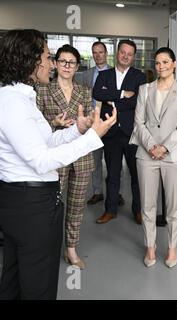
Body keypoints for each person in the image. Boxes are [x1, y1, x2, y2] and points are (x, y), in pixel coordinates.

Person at [0, 29, 116, 299]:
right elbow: (41, 160)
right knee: (38, 284)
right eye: (48, 56)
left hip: (31, 203)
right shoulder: (13, 102)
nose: (52, 63)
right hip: (29, 206)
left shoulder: (20, 97)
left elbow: (47, 140)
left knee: (16, 278)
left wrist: (79, 129)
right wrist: (93, 137)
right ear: (30, 60)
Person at [130, 47, 177, 268]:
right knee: (148, 205)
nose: (161, 66)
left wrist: (164, 147)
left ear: (174, 64)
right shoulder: (145, 89)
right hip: (146, 155)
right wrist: (150, 146)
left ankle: (172, 247)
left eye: (165, 62)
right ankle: (150, 247)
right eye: (157, 63)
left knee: (174, 207)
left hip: (172, 156)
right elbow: (139, 123)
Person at [36, 44, 93, 270]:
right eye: (62, 61)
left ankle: (71, 249)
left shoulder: (84, 92)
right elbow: (35, 127)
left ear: (77, 66)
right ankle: (47, 248)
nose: (67, 66)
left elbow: (88, 123)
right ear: (55, 63)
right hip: (55, 157)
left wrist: (86, 124)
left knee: (76, 206)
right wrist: (55, 124)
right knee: (53, 205)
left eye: (71, 62)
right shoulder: (42, 90)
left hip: (80, 157)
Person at [93, 39, 146, 225]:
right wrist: (122, 94)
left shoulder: (139, 77)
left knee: (136, 175)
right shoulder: (104, 75)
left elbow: (138, 101)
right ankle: (110, 210)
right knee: (112, 174)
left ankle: (138, 211)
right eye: (123, 52)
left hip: (132, 133)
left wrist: (112, 100)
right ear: (117, 53)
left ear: (133, 57)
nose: (125, 56)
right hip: (111, 132)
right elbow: (98, 93)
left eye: (129, 54)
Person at [80, 42, 126, 207]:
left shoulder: (115, 73)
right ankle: (97, 191)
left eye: (101, 52)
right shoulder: (86, 75)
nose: (98, 55)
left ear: (106, 53)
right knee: (95, 159)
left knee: (114, 160)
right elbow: (84, 98)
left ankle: (116, 192)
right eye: (95, 52)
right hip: (93, 122)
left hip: (110, 122)